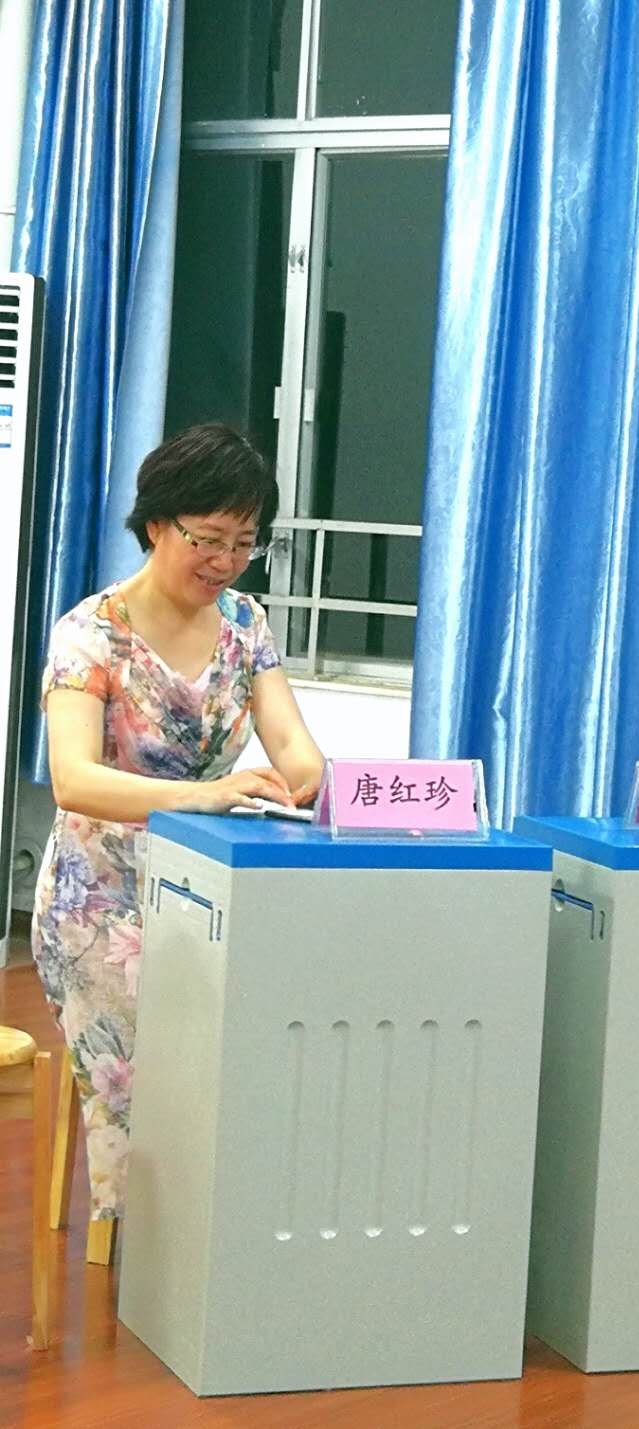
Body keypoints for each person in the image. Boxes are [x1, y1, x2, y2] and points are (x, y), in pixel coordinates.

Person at [31, 423, 325, 1223]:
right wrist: (206, 794)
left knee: (254, 1046)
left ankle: (227, 1231)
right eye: (209, 539)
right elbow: (73, 779)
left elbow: (297, 752)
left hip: (210, 889)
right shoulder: (91, 633)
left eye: (244, 543)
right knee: (152, 1078)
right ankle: (154, 1245)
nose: (225, 561)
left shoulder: (245, 626)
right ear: (157, 522)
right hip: (103, 902)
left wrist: (305, 780)